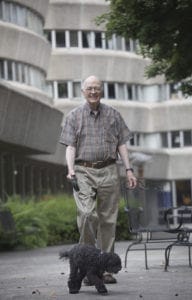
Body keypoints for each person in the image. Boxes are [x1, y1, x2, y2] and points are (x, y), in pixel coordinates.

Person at [60, 75, 137, 284]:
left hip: (109, 170)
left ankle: (105, 269)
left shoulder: (113, 115)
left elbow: (122, 145)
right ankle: (85, 265)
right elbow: (70, 146)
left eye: (97, 88)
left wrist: (128, 170)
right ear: (83, 91)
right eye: (89, 88)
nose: (93, 91)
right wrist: (70, 170)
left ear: (101, 91)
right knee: (86, 214)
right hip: (83, 170)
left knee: (108, 220)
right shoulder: (74, 116)